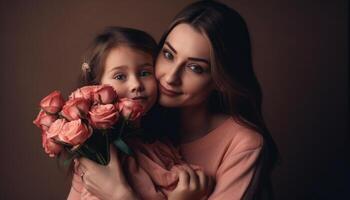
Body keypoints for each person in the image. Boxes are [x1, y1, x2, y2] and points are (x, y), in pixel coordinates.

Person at [75, 1, 279, 199]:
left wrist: (120, 196)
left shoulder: (243, 143)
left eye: (195, 68)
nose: (171, 77)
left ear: (221, 81)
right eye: (168, 54)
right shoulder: (126, 127)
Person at [67, 27, 213, 200]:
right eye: (120, 77)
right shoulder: (99, 156)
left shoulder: (160, 144)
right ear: (96, 87)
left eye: (145, 73)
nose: (136, 84)